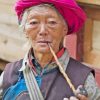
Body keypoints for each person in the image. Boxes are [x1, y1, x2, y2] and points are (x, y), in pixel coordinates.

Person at [0, 0, 100, 100]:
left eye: (52, 22)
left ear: (64, 29)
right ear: (25, 30)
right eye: (34, 22)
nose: (43, 31)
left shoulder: (84, 79)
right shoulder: (8, 75)